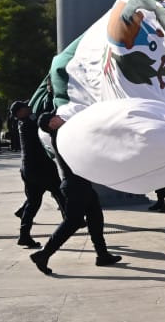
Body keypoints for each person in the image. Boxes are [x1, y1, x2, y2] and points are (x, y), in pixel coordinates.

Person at [28, 112, 122, 274]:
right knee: (72, 222)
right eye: (56, 117)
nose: (60, 117)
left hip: (80, 184)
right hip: (75, 186)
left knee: (95, 218)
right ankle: (44, 254)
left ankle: (102, 254)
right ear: (51, 124)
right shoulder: (61, 136)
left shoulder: (62, 135)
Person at [12, 100, 64, 249]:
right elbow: (45, 118)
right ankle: (71, 220)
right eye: (25, 107)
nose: (29, 108)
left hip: (29, 169)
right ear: (19, 113)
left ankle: (24, 235)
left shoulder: (23, 123)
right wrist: (50, 97)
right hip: (40, 168)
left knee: (33, 202)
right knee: (60, 193)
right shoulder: (28, 124)